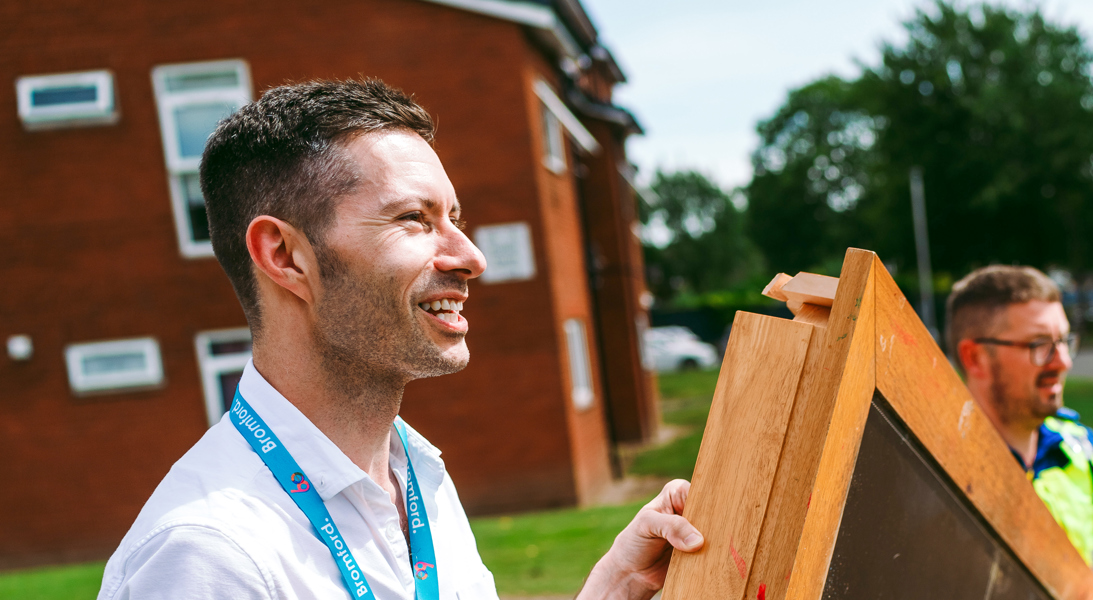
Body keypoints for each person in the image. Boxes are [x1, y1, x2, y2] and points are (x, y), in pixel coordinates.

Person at [97, 79, 702, 600]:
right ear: (284, 256)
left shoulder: (414, 475)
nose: (471, 257)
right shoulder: (209, 555)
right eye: (414, 218)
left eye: (453, 219)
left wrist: (615, 586)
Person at [946, 266, 1093, 600]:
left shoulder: (1079, 444)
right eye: (1039, 344)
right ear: (975, 357)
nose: (1063, 361)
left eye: (1065, 341)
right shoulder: (940, 471)